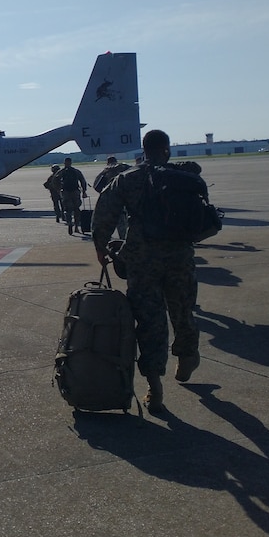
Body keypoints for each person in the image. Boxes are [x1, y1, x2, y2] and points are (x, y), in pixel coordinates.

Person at [91, 129, 201, 413]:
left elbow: (104, 213)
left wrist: (101, 246)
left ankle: (154, 385)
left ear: (143, 149)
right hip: (180, 257)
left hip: (142, 260)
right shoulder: (183, 178)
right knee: (183, 310)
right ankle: (187, 354)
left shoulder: (128, 179)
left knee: (150, 321)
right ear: (166, 149)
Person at [93, 155, 131, 238]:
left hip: (112, 201)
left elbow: (96, 186)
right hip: (125, 199)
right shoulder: (123, 167)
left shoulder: (106, 171)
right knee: (125, 222)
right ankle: (124, 238)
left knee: (114, 222)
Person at [57, 157, 88, 235]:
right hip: (75, 192)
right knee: (76, 209)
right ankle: (76, 227)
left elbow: (55, 180)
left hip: (66, 192)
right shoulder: (76, 171)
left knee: (67, 209)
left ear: (64, 163)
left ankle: (70, 222)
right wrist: (84, 191)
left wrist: (58, 190)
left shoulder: (61, 172)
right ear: (71, 163)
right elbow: (83, 181)